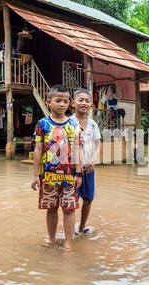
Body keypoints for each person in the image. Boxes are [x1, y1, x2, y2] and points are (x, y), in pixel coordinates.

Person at [31, 85, 83, 252]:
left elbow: (77, 150)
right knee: (51, 208)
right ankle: (52, 239)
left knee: (69, 209)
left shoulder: (74, 124)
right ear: (49, 102)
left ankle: (68, 241)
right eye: (58, 100)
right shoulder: (42, 124)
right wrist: (35, 175)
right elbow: (38, 150)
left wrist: (79, 173)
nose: (62, 104)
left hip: (69, 176)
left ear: (70, 103)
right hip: (48, 176)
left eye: (66, 101)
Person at [71, 89, 101, 234]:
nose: (84, 103)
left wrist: (94, 159)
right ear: (73, 103)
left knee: (88, 199)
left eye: (87, 101)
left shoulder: (93, 124)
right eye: (80, 100)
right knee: (71, 201)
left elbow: (97, 144)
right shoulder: (68, 122)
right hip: (72, 169)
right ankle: (69, 229)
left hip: (89, 168)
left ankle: (82, 227)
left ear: (91, 105)